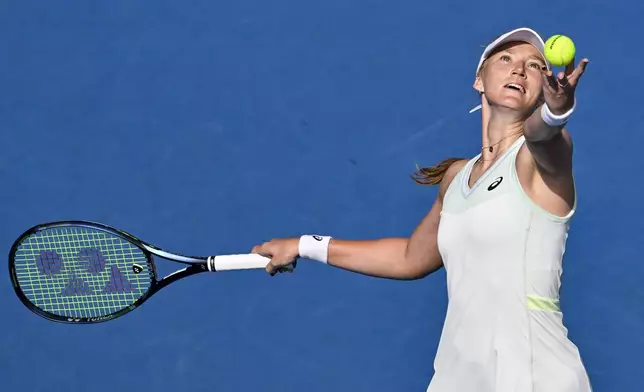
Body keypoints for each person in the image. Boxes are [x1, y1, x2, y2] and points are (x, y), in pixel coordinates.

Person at [251, 27, 592, 391]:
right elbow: (410, 257)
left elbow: (545, 136)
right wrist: (305, 244)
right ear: (479, 80)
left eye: (535, 66)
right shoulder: (456, 178)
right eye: (506, 59)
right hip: (459, 376)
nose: (519, 70)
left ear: (543, 89)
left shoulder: (538, 159)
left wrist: (557, 114)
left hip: (534, 374)